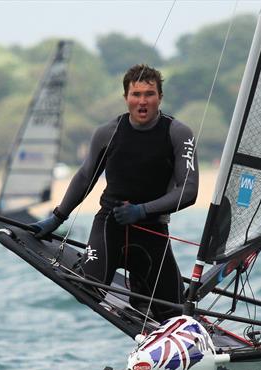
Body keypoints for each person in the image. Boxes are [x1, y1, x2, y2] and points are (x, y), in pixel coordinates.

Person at [31, 64, 198, 321]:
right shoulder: (108, 132)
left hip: (153, 232)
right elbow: (86, 176)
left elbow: (189, 190)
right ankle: (119, 281)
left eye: (149, 94)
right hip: (110, 227)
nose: (142, 101)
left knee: (176, 317)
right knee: (89, 289)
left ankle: (142, 296)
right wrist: (57, 217)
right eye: (136, 94)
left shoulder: (178, 134)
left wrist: (141, 210)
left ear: (160, 97)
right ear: (126, 98)